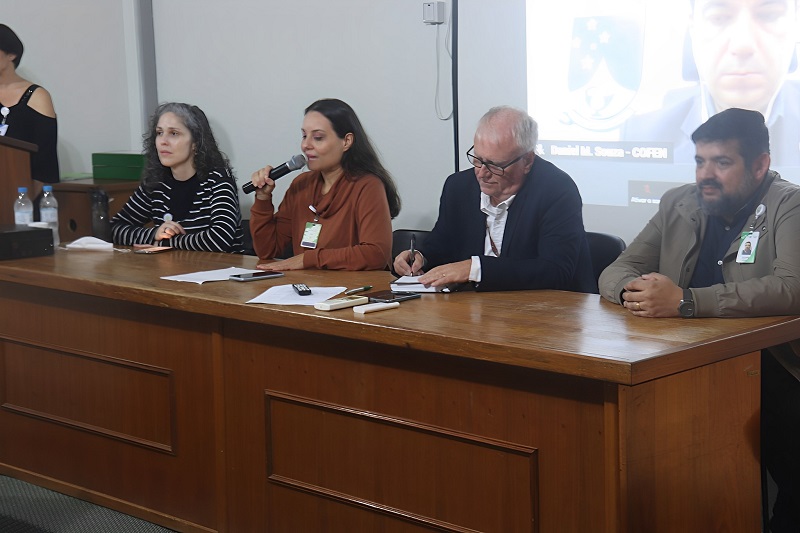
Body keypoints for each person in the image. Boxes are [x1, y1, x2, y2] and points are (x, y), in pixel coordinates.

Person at [600, 108, 800, 533]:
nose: (706, 174)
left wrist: (686, 301)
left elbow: (791, 287)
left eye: (721, 162)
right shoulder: (679, 202)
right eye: (699, 161)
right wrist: (637, 293)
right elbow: (617, 269)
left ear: (760, 165)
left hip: (771, 364)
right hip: (682, 362)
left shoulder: (788, 203)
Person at [393, 106, 596, 293]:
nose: (482, 173)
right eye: (477, 159)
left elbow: (555, 271)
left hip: (548, 310)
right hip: (475, 308)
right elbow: (442, 245)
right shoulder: (458, 186)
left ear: (527, 161)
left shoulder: (557, 190)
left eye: (495, 165)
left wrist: (476, 269)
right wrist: (420, 257)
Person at [624, 0, 800, 166]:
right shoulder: (642, 136)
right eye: (718, 18)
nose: (742, 44)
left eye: (769, 15)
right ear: (693, 29)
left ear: (794, 24)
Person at [249, 98, 400, 271]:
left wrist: (309, 259)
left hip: (351, 287)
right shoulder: (301, 184)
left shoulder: (368, 186)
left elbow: (375, 254)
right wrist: (262, 198)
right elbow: (267, 250)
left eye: (318, 137)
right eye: (304, 136)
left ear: (346, 141)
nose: (305, 145)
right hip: (305, 285)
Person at [111, 102, 244, 253]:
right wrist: (154, 234)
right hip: (171, 266)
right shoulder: (156, 182)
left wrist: (163, 242)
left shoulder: (218, 179)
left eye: (174, 133)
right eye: (159, 133)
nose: (163, 141)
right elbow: (113, 228)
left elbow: (219, 239)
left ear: (195, 143)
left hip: (220, 267)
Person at [0, 23, 59, 202]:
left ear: (11, 54)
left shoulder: (37, 96)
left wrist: (22, 203)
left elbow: (45, 160)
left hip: (25, 199)